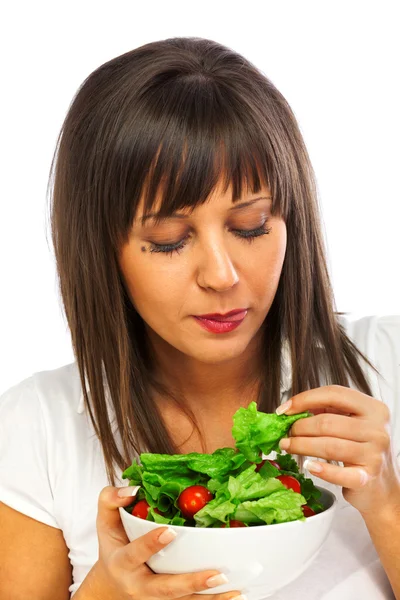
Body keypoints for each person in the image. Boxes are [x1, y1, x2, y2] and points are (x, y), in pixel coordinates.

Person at [0, 36, 399, 600]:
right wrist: (106, 593)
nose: (222, 275)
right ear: (100, 250)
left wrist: (385, 500)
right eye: (168, 240)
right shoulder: (34, 427)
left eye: (251, 225)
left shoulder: (389, 363)